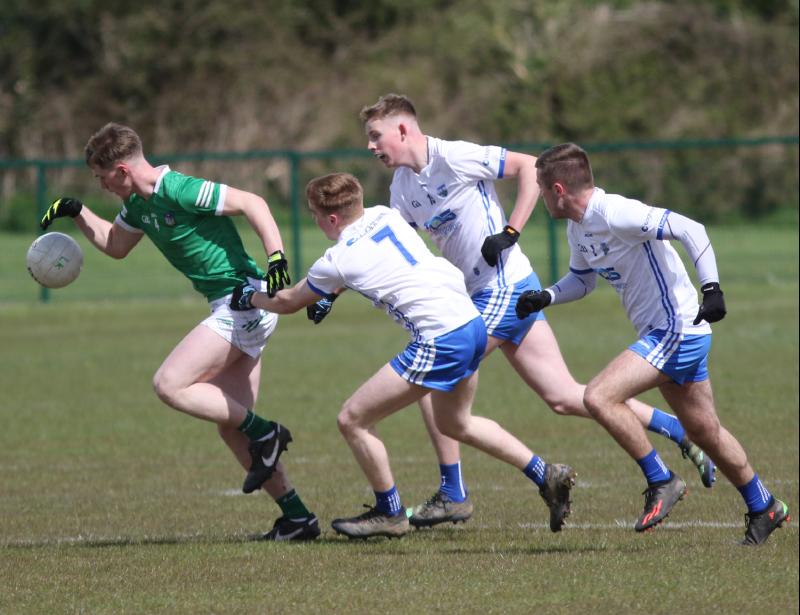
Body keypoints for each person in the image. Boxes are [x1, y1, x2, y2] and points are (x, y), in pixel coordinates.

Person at [306, 93, 713, 529]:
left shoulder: (455, 156)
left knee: (433, 375)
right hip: (492, 297)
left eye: (375, 135)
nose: (370, 146)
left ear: (402, 129)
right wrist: (332, 291)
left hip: (502, 287)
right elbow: (390, 252)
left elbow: (527, 166)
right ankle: (677, 430)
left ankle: (454, 494)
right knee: (563, 396)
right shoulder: (402, 188)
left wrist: (511, 230)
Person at [231, 172, 577, 539]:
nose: (314, 221)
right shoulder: (385, 215)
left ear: (331, 219)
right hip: (472, 324)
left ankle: (390, 512)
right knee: (456, 423)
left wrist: (248, 297)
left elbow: (286, 302)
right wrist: (331, 294)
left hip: (441, 338)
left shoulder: (336, 259)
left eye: (315, 215)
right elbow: (378, 263)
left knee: (352, 419)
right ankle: (546, 474)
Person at [40, 122, 319, 542]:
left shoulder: (180, 189)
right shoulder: (137, 204)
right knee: (230, 426)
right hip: (232, 306)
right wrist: (77, 211)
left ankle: (266, 430)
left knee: (169, 384)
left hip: (243, 301)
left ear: (121, 170)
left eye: (101, 179)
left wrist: (276, 256)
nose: (102, 186)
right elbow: (115, 245)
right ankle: (297, 518)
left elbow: (253, 202)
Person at [516, 142, 790, 544]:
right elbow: (583, 279)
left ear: (558, 189)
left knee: (598, 396)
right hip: (667, 334)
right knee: (705, 432)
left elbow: (690, 228)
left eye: (540, 189)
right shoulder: (579, 227)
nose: (539, 197)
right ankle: (764, 505)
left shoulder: (616, 212)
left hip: (676, 329)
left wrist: (711, 288)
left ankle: (661, 479)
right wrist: (548, 296)